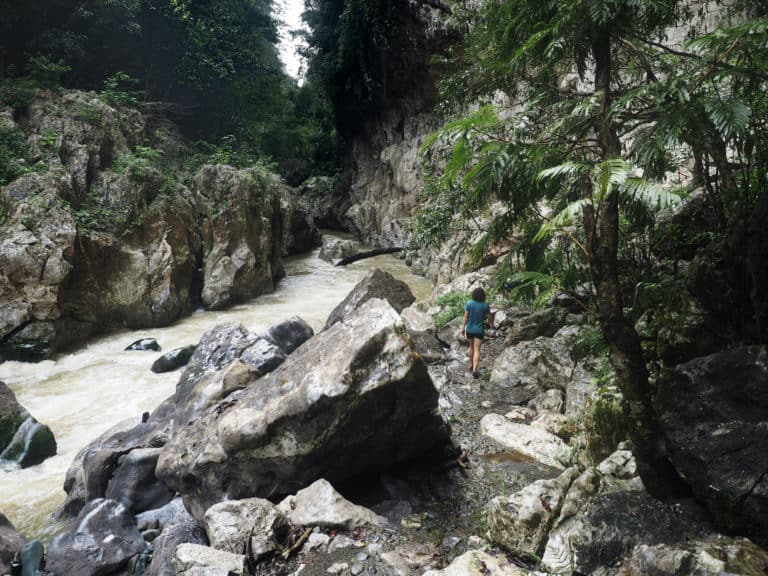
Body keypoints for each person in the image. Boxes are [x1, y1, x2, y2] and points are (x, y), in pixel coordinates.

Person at [462, 287, 494, 379]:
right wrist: (491, 326)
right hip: (479, 330)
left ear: (473, 295)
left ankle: (472, 365)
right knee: (477, 350)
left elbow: (465, 317)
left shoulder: (469, 303)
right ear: (483, 296)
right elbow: (489, 318)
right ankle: (475, 369)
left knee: (471, 348)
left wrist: (463, 328)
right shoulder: (485, 306)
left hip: (470, 330)